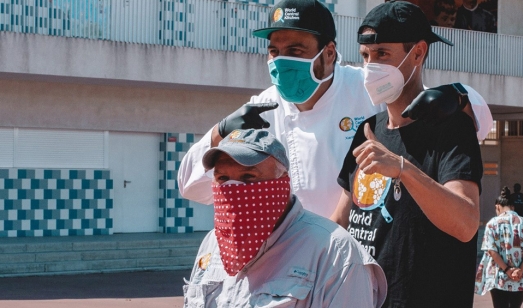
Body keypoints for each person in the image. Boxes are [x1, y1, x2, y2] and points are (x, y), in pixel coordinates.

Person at [177, 0, 493, 219]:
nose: (280, 61)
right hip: (288, 263)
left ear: (329, 54)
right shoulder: (260, 110)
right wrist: (220, 132)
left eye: (295, 50)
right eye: (274, 51)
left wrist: (460, 96)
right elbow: (192, 188)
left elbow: (476, 125)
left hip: (361, 256)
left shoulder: (368, 88)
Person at [331, 1, 484, 306]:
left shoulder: (451, 129)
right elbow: (342, 222)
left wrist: (402, 168)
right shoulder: (367, 130)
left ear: (418, 53)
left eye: (382, 54)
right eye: (365, 56)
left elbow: (466, 223)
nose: (370, 67)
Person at [183, 128, 387, 308]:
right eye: (223, 179)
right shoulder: (212, 244)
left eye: (248, 177)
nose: (233, 190)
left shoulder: (336, 255)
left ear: (281, 183)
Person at [475, 186, 523, 308]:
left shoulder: (492, 224)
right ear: (513, 207)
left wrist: (507, 270)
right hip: (521, 277)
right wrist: (520, 269)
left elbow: (492, 251)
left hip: (498, 277)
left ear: (498, 207)